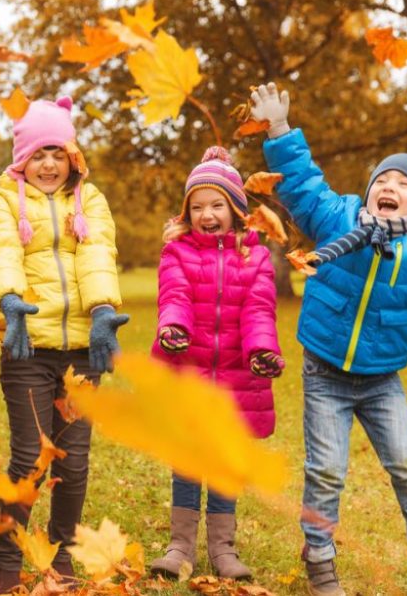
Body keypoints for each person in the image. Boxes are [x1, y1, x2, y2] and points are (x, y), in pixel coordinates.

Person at [251, 82, 407, 596]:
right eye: (383, 179)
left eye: (403, 182)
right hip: (325, 373)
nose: (389, 185)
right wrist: (279, 130)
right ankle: (320, 556)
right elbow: (301, 185)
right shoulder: (340, 218)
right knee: (326, 471)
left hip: (382, 379)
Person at [0, 96, 128, 592]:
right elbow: (0, 251)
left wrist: (104, 310)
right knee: (29, 459)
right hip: (28, 351)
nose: (48, 164)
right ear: (22, 159)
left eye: (57, 154)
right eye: (38, 155)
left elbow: (98, 254)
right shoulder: (5, 202)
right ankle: (6, 558)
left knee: (74, 460)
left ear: (73, 158)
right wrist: (10, 300)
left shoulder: (91, 201)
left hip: (83, 351)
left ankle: (63, 554)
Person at [147, 146, 283, 581]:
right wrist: (173, 328)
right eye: (198, 206)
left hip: (236, 377)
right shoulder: (178, 253)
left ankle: (223, 549)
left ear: (236, 210)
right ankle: (180, 546)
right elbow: (175, 297)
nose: (208, 214)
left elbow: (259, 308)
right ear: (188, 213)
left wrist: (262, 350)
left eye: (217, 204)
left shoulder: (255, 257)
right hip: (189, 369)